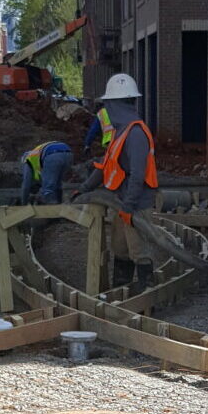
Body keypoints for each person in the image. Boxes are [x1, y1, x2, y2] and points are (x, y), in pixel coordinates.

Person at [78, 73, 159, 289]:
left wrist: (129, 206)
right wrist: (84, 189)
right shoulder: (120, 132)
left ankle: (146, 293)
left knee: (138, 248)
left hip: (136, 203)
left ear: (116, 104)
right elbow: (106, 165)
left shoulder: (136, 134)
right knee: (120, 247)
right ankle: (120, 290)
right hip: (122, 200)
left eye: (108, 104)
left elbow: (138, 175)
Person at [19, 141, 74, 206]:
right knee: (57, 184)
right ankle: (59, 203)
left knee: (48, 188)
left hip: (53, 155)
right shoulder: (36, 156)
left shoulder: (27, 160)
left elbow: (26, 184)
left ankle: (52, 208)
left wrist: (23, 203)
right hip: (69, 154)